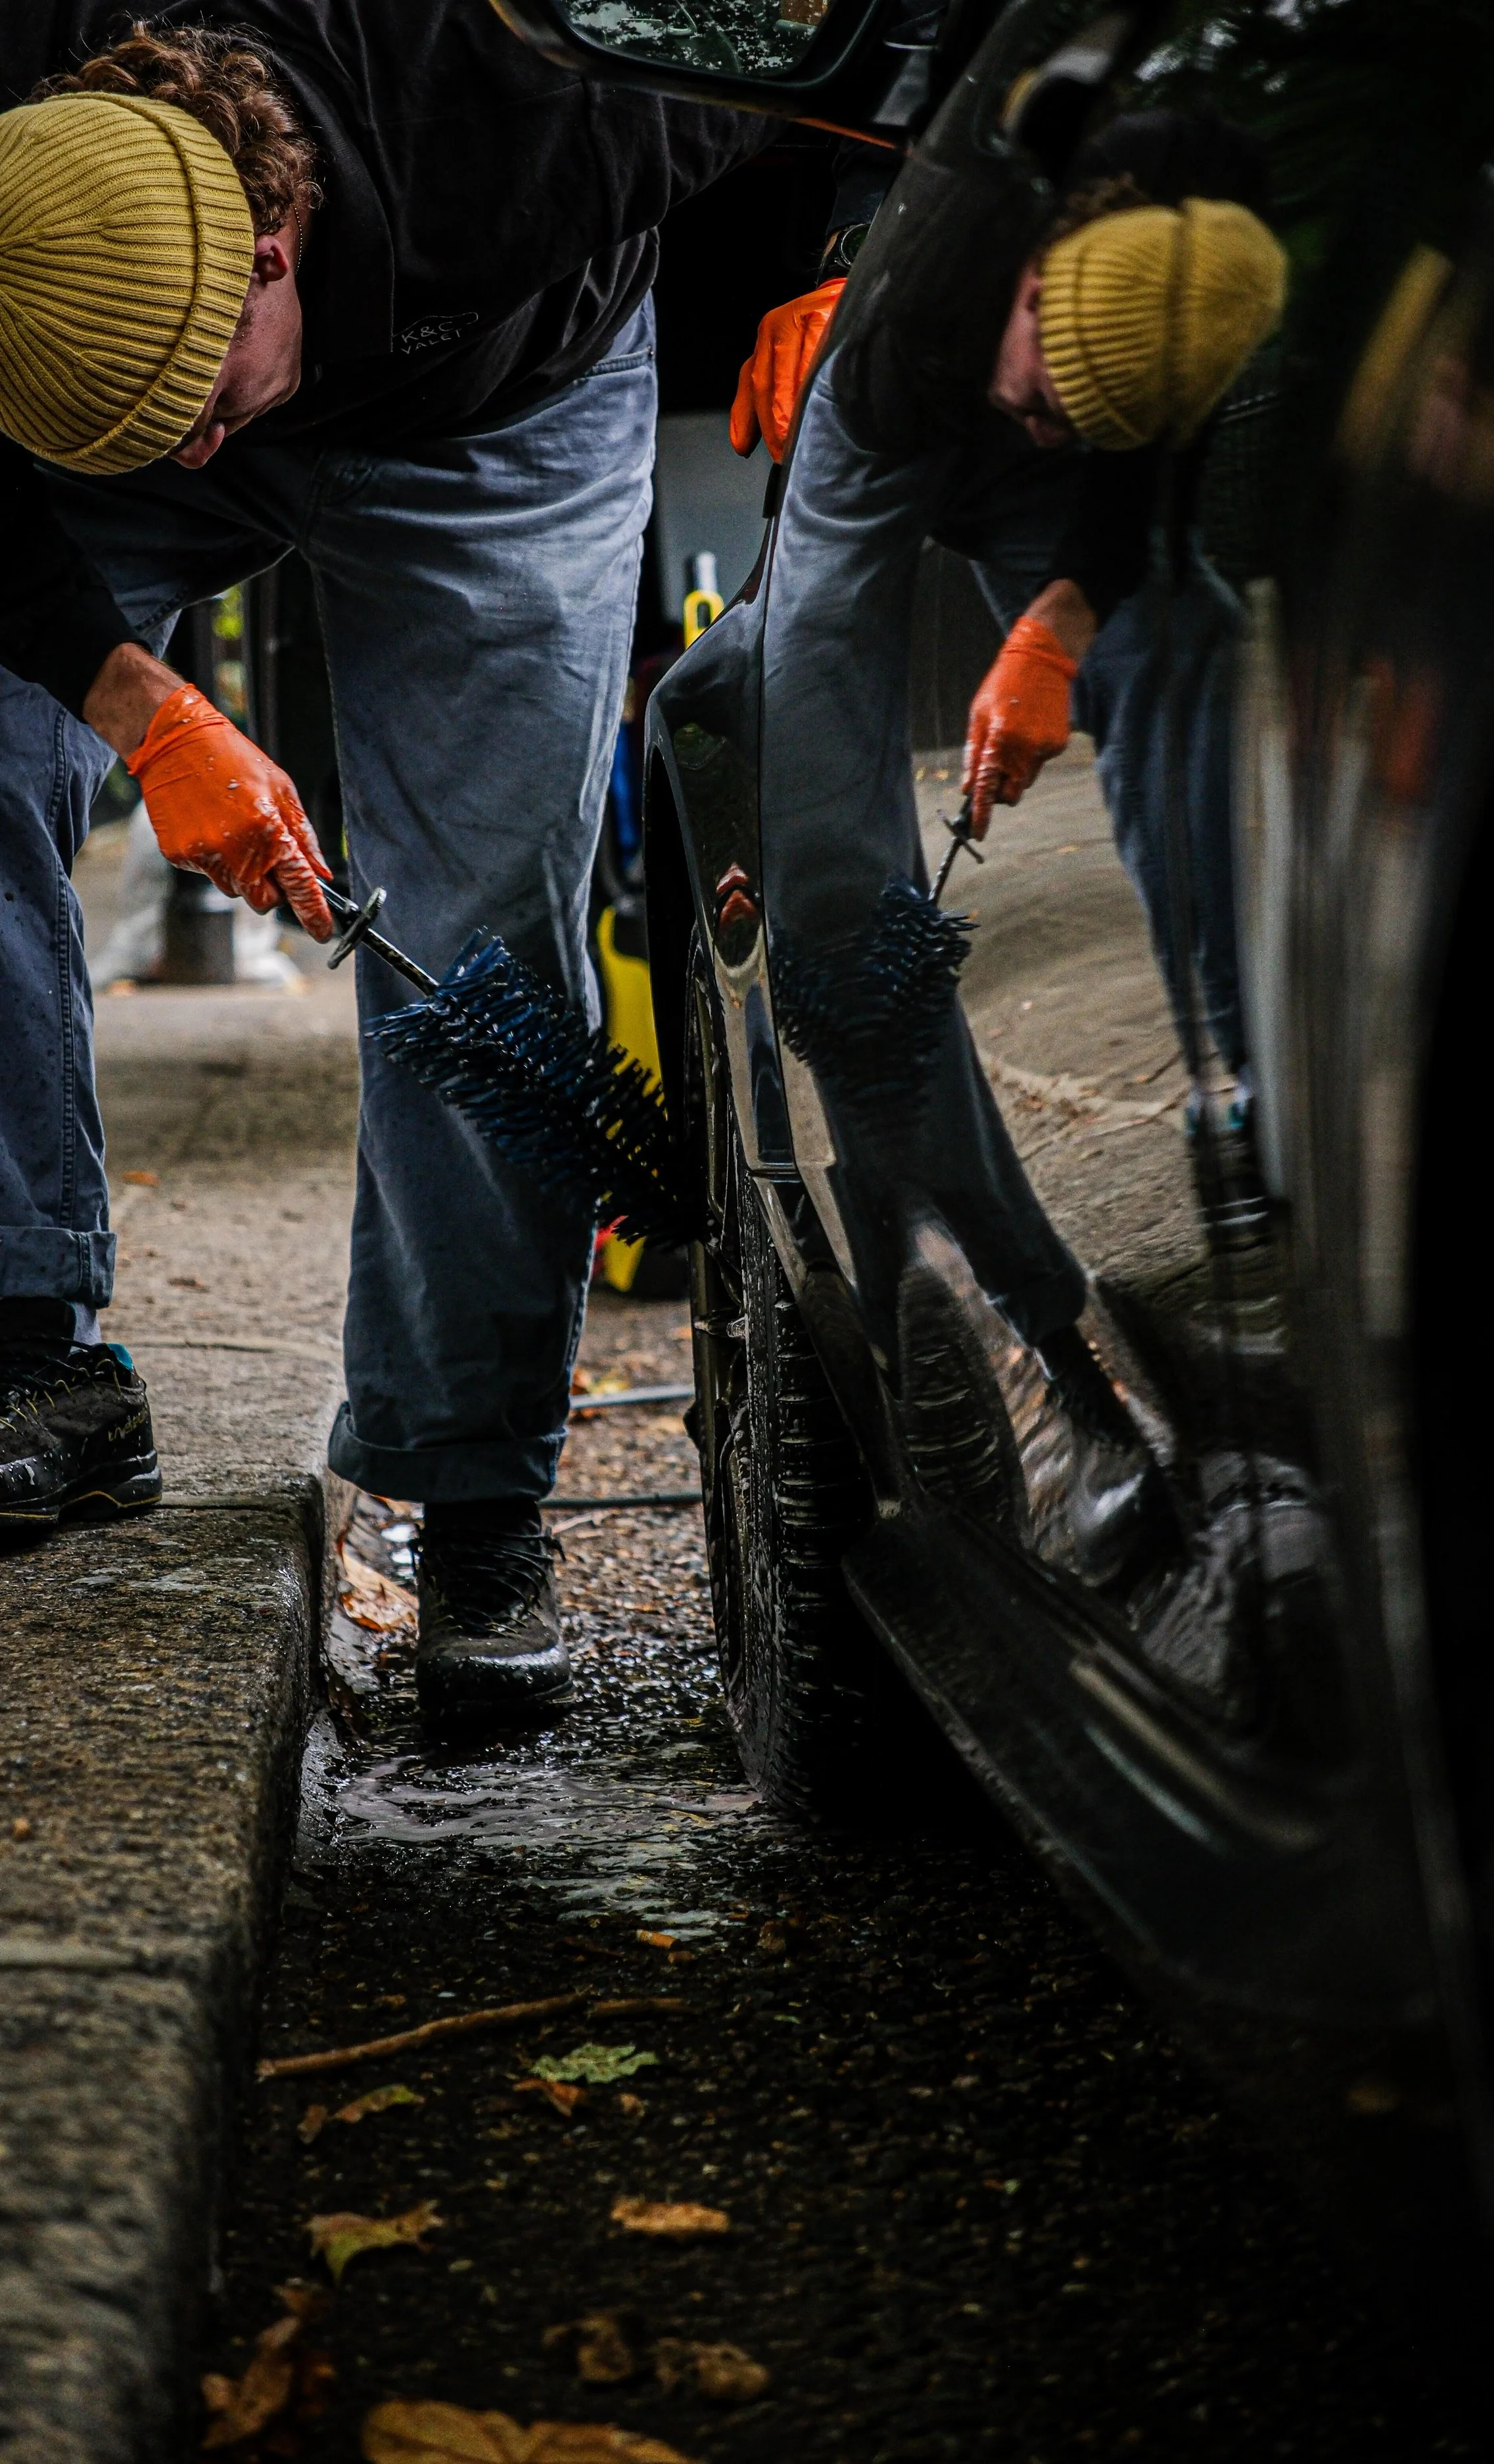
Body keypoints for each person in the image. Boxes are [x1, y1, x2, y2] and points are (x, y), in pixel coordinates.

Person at [0, 5, 777, 1723]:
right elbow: (112, 447)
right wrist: (143, 706)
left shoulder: (528, 104)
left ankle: (469, 1496)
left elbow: (824, 59)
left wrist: (842, 260)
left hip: (505, 400)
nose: (195, 452)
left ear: (274, 255)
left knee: (475, 911)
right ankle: (29, 1344)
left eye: (197, 402)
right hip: (106, 384)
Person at [730, 110, 1283, 1577]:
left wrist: (1065, 611)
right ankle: (1003, 1331)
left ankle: (1249, 1129)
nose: (1038, 433)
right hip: (894, 395)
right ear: (1031, 281)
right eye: (1043, 400)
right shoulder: (956, 247)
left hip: (1113, 414)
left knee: (1193, 652)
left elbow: (1123, 450)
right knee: (830, 858)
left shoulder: (1219, 233)